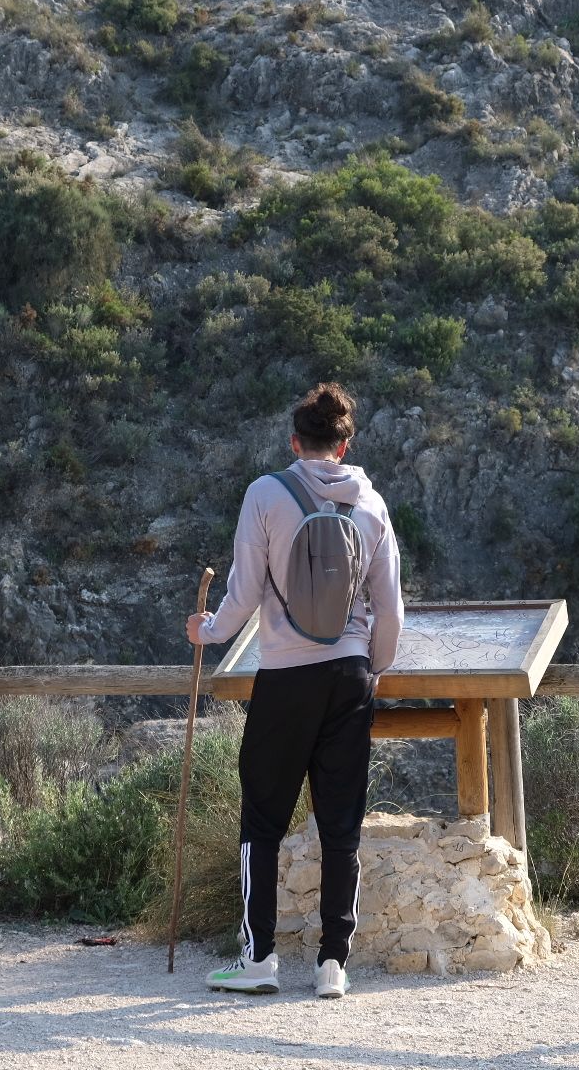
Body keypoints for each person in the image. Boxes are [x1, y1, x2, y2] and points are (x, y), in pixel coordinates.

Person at [186, 382, 404, 999]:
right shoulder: (373, 505)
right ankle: (334, 963)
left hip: (283, 677)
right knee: (341, 822)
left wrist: (207, 631)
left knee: (262, 818)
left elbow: (243, 594)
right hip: (350, 677)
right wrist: (371, 669)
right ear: (345, 443)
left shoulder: (265, 494)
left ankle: (258, 960)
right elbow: (390, 611)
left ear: (294, 442)